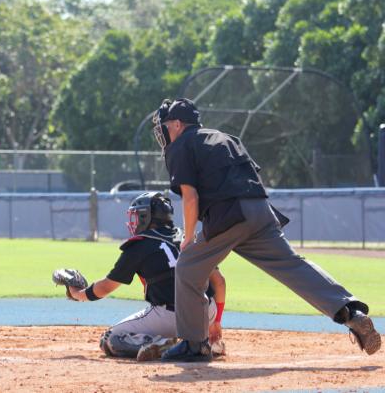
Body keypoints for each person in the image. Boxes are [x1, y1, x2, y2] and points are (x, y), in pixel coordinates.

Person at [152, 98, 381, 362]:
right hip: (260, 211)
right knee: (292, 265)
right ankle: (350, 312)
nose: (165, 132)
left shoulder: (181, 145)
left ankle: (195, 344)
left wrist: (188, 237)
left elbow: (190, 197)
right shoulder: (225, 137)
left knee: (188, 266)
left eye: (166, 126)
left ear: (178, 124)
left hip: (229, 214)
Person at [66, 192, 226, 361]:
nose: (133, 222)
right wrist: (216, 321)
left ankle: (164, 343)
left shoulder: (140, 244)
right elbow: (219, 282)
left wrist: (78, 294)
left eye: (137, 216)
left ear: (146, 217)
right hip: (206, 311)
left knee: (111, 339)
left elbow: (106, 287)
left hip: (170, 317)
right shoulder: (188, 238)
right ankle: (208, 342)